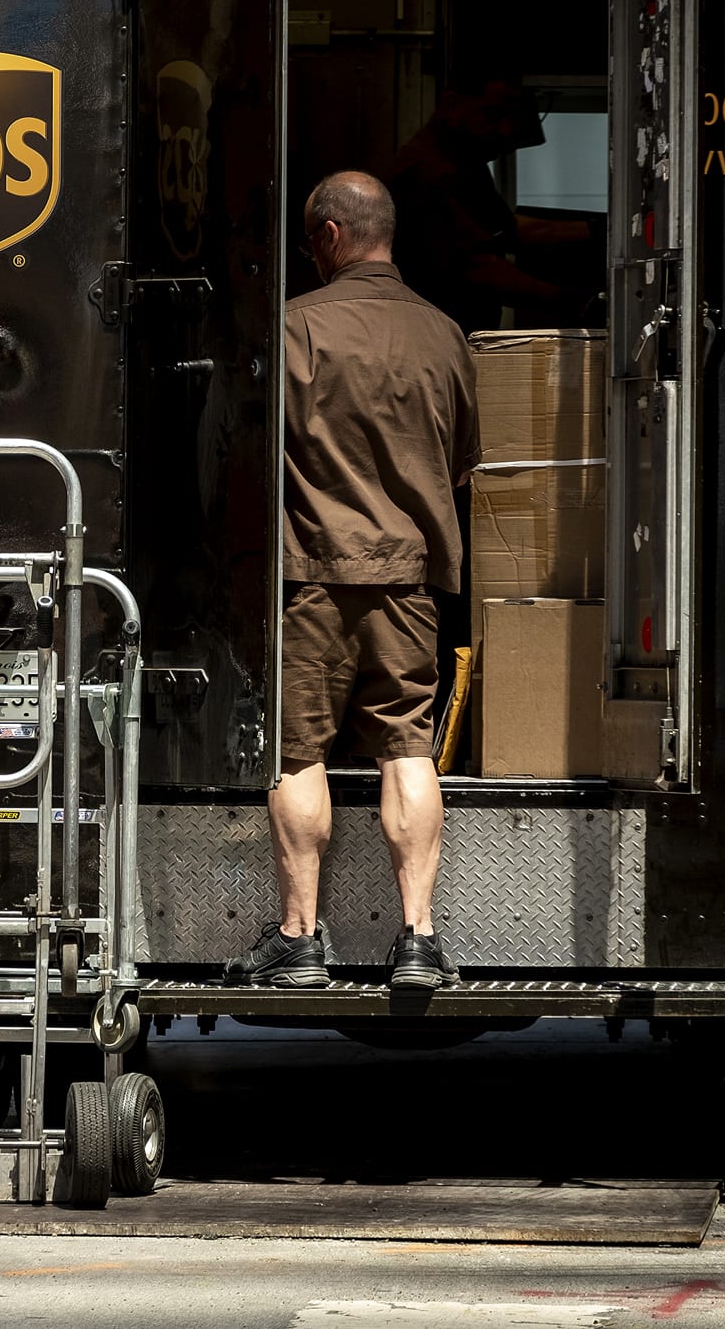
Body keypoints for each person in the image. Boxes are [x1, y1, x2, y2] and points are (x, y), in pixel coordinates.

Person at [231, 171, 479, 991]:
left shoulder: (295, 326)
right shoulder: (446, 334)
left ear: (329, 237)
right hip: (408, 579)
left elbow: (248, 460)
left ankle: (300, 939)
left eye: (311, 240)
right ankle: (418, 938)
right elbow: (464, 461)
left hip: (310, 576)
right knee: (407, 742)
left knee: (296, 751)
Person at [386, 79, 591, 334]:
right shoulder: (430, 173)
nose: (505, 130)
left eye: (510, 116)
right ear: (452, 104)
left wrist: (595, 230)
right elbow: (477, 269)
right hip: (433, 339)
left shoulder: (463, 161)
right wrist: (574, 302)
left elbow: (506, 228)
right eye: (492, 113)